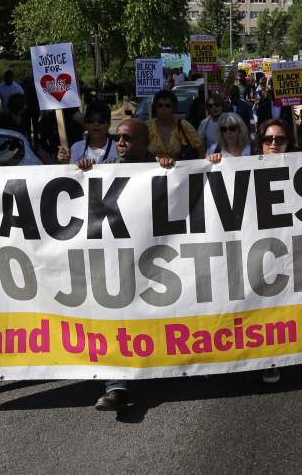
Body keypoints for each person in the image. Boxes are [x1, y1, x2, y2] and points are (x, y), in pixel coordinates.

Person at [72, 118, 174, 410]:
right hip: (115, 259)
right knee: (113, 318)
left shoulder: (163, 168)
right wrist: (78, 174)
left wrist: (170, 170)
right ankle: (116, 386)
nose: (120, 143)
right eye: (117, 137)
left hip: (156, 258)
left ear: (146, 142)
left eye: (127, 138)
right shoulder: (102, 170)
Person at [252, 117, 294, 384]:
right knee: (263, 302)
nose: (274, 144)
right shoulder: (243, 168)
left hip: (291, 244)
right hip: (259, 247)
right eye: (268, 140)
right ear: (260, 144)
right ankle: (269, 358)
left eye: (280, 139)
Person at [147, 89, 203, 160]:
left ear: (174, 108)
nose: (163, 108)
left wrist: (198, 167)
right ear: (155, 108)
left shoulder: (183, 125)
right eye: (160, 105)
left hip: (181, 170)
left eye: (168, 105)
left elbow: (200, 148)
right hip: (152, 170)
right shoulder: (147, 126)